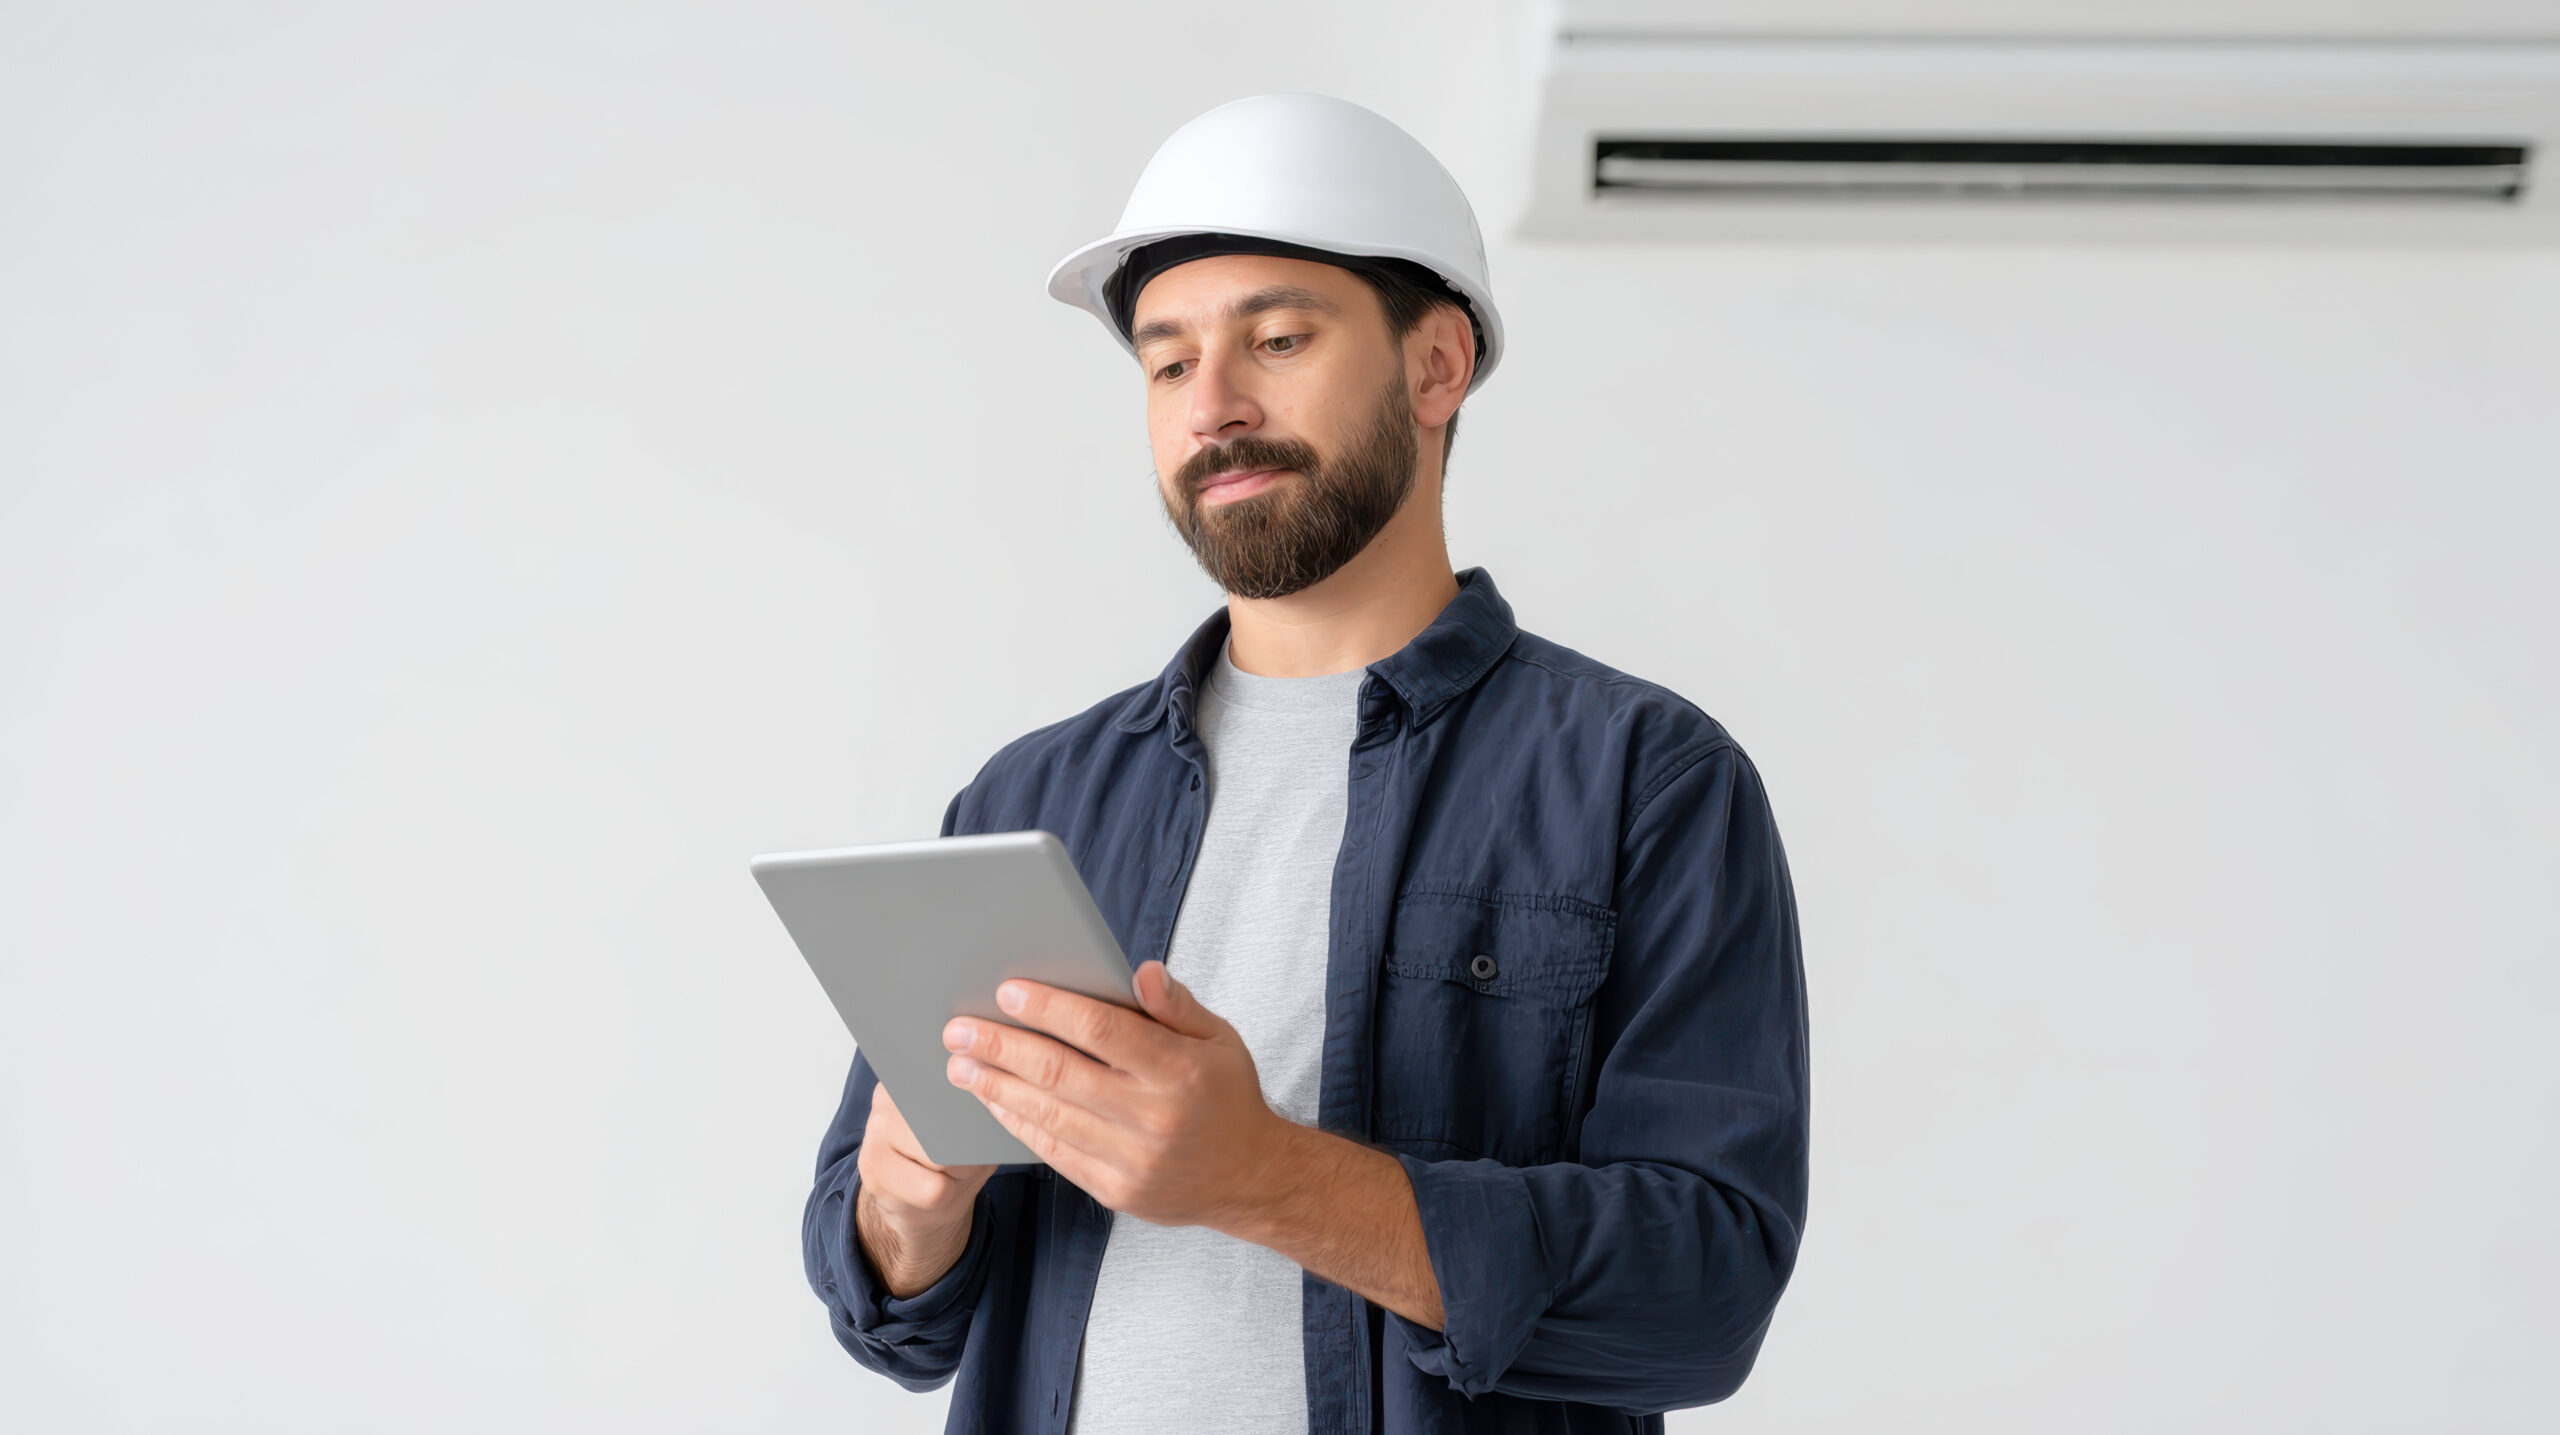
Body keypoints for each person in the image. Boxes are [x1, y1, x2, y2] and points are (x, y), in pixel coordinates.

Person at [802, 94, 1809, 1435]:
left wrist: (1257, 1175)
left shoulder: (1646, 779)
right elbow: (894, 1317)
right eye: (1167, 364)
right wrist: (905, 1207)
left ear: (1436, 367)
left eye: (1275, 340)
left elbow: (1704, 1293)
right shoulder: (1028, 799)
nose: (1212, 406)